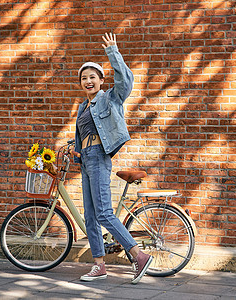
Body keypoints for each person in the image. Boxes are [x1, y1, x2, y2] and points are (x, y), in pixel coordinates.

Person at [71, 33, 152, 284]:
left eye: (92, 77)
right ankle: (99, 265)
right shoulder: (83, 107)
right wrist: (74, 151)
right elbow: (81, 134)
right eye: (84, 78)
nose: (87, 81)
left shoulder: (109, 98)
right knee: (90, 217)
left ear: (101, 80)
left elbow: (125, 81)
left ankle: (138, 255)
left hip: (98, 157)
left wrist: (113, 52)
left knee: (104, 212)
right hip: (85, 159)